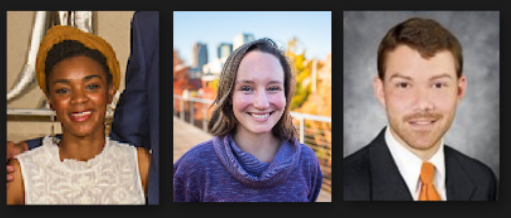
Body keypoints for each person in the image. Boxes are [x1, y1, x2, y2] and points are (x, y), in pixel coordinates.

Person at [6, 11, 160, 205]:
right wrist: (26, 150)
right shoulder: (19, 175)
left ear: (110, 91)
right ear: (50, 100)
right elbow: (131, 128)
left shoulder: (140, 165)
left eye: (92, 86)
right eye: (63, 90)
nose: (79, 99)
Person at [343, 17, 497, 201]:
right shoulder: (345, 184)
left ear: (459, 90)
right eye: (404, 85)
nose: (423, 103)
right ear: (381, 91)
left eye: (438, 85)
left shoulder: (483, 181)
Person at [173, 38, 323, 202]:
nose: (262, 103)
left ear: (286, 95)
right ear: (229, 95)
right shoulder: (193, 167)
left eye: (273, 88)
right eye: (246, 88)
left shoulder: (307, 162)